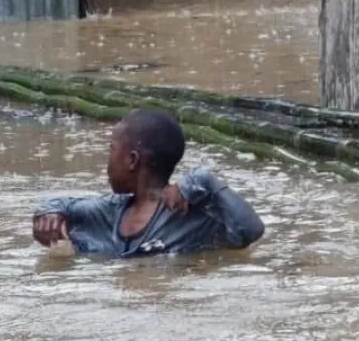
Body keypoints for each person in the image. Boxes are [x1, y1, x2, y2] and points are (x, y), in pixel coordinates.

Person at [31, 109, 265, 256]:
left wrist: (205, 180)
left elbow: (251, 230)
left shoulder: (191, 215)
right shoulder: (111, 210)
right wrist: (49, 213)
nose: (108, 162)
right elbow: (64, 204)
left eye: (112, 150)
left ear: (132, 160)